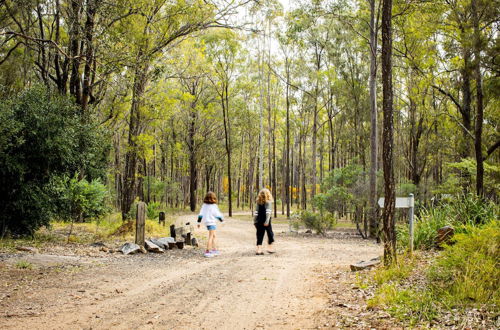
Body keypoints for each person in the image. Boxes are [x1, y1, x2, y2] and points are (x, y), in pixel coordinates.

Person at [197, 192, 224, 258]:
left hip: (207, 222)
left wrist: (198, 222)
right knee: (211, 236)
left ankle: (214, 249)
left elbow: (201, 214)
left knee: (214, 236)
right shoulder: (214, 206)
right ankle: (208, 251)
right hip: (211, 222)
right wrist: (222, 220)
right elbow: (217, 214)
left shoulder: (204, 205)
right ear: (213, 198)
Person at [254, 188, 275, 255]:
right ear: (268, 194)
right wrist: (267, 221)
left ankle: (259, 250)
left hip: (259, 220)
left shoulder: (259, 202)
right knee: (270, 234)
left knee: (260, 234)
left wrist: (255, 221)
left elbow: (256, 213)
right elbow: (268, 213)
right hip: (266, 221)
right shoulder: (268, 202)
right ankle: (269, 248)